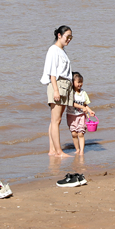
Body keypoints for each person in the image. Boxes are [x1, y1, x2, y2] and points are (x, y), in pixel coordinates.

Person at [41, 25, 74, 158]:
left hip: (65, 85)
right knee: (56, 120)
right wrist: (55, 90)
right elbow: (52, 73)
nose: (69, 40)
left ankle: (52, 150)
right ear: (59, 35)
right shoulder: (53, 50)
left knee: (56, 120)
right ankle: (59, 151)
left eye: (71, 37)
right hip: (58, 85)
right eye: (67, 37)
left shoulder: (62, 51)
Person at [67, 72, 95, 155]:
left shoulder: (83, 93)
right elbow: (71, 103)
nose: (80, 84)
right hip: (71, 115)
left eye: (81, 82)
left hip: (81, 116)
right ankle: (77, 149)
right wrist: (82, 107)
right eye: (78, 82)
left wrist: (90, 111)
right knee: (74, 133)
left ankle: (82, 150)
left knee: (81, 133)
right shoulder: (71, 93)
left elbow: (85, 104)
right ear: (72, 82)